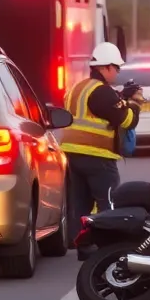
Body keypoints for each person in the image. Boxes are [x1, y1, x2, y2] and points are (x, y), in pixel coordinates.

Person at [59, 42, 142, 243]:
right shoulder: (102, 91)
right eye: (117, 68)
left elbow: (97, 109)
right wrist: (135, 103)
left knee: (80, 203)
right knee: (108, 202)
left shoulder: (78, 87)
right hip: (97, 156)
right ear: (106, 67)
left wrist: (121, 97)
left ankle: (83, 245)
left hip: (72, 154)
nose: (118, 72)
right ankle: (109, 244)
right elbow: (127, 120)